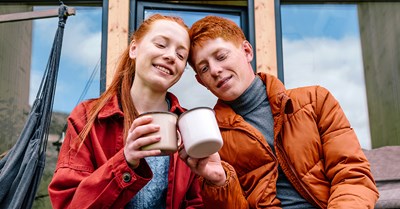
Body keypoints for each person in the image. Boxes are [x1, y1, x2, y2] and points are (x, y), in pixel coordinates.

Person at [180, 15, 379, 208]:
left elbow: (352, 176)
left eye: (221, 56)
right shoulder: (212, 138)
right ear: (201, 82)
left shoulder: (315, 101)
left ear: (247, 51)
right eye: (204, 69)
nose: (215, 70)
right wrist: (218, 183)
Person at [48, 14, 203, 209]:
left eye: (181, 55)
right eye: (161, 45)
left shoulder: (187, 125)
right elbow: (68, 204)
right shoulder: (88, 116)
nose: (171, 56)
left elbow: (195, 203)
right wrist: (125, 162)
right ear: (134, 49)